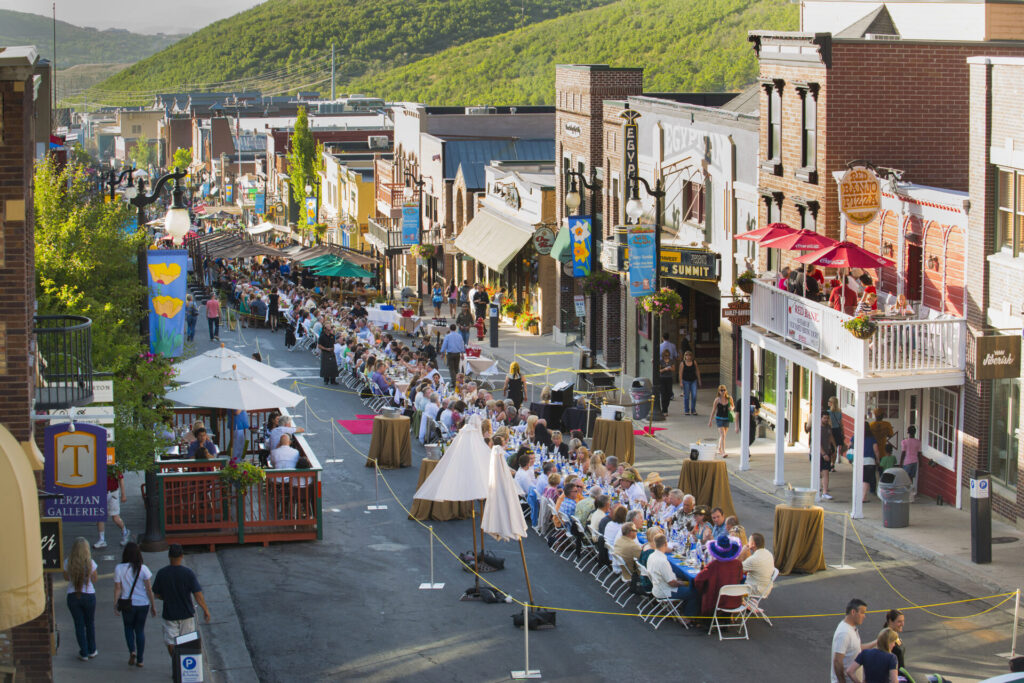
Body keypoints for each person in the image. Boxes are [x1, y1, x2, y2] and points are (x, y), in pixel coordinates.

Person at [152, 544, 211, 661]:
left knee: (170, 641)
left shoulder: (162, 573)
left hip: (169, 614)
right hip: (186, 613)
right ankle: (184, 667)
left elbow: (157, 594)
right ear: (182, 556)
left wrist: (166, 596)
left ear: (169, 556)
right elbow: (198, 594)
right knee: (187, 641)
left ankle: (175, 662)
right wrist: (205, 610)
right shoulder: (188, 573)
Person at [114, 542, 157, 668]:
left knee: (128, 628)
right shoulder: (143, 569)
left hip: (127, 603)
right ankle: (140, 659)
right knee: (139, 630)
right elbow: (149, 589)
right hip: (142, 604)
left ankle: (132, 650)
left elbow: (117, 588)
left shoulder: (119, 568)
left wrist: (115, 603)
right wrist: (153, 606)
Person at [64, 537, 99, 661]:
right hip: (88, 595)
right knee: (90, 624)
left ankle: (83, 652)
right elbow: (95, 579)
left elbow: (66, 578)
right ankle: (92, 650)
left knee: (79, 625)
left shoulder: (68, 562)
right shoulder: (91, 563)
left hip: (73, 595)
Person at [694, 534, 745, 617]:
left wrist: (703, 590)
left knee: (699, 591)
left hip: (717, 602)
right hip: (735, 600)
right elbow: (740, 578)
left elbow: (698, 580)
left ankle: (701, 618)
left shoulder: (713, 565)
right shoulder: (738, 564)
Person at [832, 598, 873, 683]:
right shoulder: (844, 633)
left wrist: (878, 642)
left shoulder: (851, 628)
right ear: (853, 612)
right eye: (862, 613)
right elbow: (837, 661)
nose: (864, 616)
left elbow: (857, 649)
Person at [646, 535, 689, 600]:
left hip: (657, 588)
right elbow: (672, 583)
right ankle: (688, 610)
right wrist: (686, 583)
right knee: (694, 591)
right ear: (665, 544)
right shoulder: (662, 561)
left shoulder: (651, 556)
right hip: (666, 591)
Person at [96, 469, 129, 549]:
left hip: (113, 492)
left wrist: (123, 494)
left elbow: (121, 479)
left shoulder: (114, 464)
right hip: (101, 492)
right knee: (100, 516)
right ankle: (102, 539)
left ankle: (125, 532)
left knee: (115, 517)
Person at [708, 385, 734, 457]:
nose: (723, 392)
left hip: (726, 419)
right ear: (719, 392)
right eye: (721, 390)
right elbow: (713, 410)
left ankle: (719, 448)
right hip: (719, 419)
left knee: (723, 435)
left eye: (724, 390)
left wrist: (731, 408)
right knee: (723, 435)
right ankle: (723, 452)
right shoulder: (717, 400)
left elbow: (733, 406)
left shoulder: (729, 398)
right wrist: (710, 421)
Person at [818, 412, 837, 500]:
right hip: (819, 453)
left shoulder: (828, 427)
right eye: (824, 418)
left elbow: (830, 436)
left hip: (827, 451)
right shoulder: (818, 428)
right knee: (820, 472)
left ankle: (825, 491)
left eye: (827, 418)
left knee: (825, 472)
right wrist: (824, 454)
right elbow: (817, 443)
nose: (826, 420)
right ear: (821, 418)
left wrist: (834, 446)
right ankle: (819, 487)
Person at [678, 350, 701, 416]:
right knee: (687, 396)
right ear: (685, 356)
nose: (688, 357)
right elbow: (680, 373)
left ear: (691, 356)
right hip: (686, 381)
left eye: (689, 355)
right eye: (687, 355)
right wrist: (680, 382)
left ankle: (693, 409)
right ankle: (686, 410)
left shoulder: (694, 362)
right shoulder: (682, 363)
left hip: (693, 380)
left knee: (694, 395)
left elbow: (697, 371)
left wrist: (699, 380)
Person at [861, 422, 879, 502]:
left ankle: (859, 495)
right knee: (866, 480)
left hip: (859, 461)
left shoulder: (857, 437)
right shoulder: (872, 438)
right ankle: (863, 497)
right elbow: (876, 450)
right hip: (870, 461)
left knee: (860, 479)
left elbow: (849, 445)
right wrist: (878, 459)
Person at [900, 426, 921, 497]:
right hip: (915, 461)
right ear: (915, 432)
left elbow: (903, 453)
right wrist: (920, 463)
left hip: (907, 461)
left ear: (908, 432)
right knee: (911, 478)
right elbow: (919, 454)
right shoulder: (918, 442)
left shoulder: (904, 442)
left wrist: (900, 462)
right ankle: (911, 494)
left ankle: (906, 493)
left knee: (906, 478)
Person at [828, 396, 845, 460]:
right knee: (836, 448)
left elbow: (828, 423)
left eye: (829, 401)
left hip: (831, 430)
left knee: (831, 447)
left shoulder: (828, 412)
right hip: (837, 430)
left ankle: (830, 462)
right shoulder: (839, 411)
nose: (828, 402)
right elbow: (841, 423)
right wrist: (843, 432)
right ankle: (833, 464)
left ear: (832, 403)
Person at [658, 349, 675, 414]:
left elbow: (674, 369)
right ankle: (664, 409)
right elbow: (659, 371)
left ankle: (666, 407)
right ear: (663, 355)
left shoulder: (671, 361)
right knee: (663, 394)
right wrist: (664, 369)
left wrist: (670, 368)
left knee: (669, 393)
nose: (666, 356)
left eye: (668, 355)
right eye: (665, 355)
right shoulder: (661, 361)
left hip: (669, 378)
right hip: (662, 378)